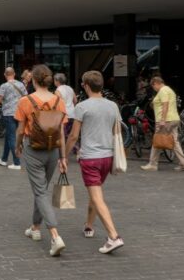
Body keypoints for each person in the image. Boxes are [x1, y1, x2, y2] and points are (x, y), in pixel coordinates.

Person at [65, 70, 124, 254]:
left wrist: (64, 156)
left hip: (90, 157)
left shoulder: (82, 107)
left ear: (86, 86)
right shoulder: (113, 106)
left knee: (97, 197)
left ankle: (113, 237)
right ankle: (89, 225)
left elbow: (74, 135)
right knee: (95, 192)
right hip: (108, 157)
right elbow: (117, 131)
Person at [14, 64, 67, 257]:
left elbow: (20, 129)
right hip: (52, 150)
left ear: (33, 80)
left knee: (40, 190)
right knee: (41, 189)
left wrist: (18, 145)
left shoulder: (25, 101)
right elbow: (61, 130)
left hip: (33, 149)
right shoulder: (58, 101)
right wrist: (63, 156)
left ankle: (55, 235)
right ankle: (35, 227)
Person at [140, 77, 184, 171]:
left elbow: (165, 105)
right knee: (174, 142)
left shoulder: (163, 91)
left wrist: (162, 120)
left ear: (156, 83)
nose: (154, 89)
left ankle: (153, 164)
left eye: (153, 86)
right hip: (174, 119)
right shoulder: (169, 90)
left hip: (165, 120)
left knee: (157, 141)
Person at [0, 67, 27, 170]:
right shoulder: (21, 85)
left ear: (5, 75)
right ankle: (4, 159)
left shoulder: (4, 86)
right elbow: (26, 98)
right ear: (14, 74)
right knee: (9, 136)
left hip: (9, 114)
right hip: (20, 114)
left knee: (11, 137)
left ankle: (17, 163)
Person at [54, 73, 77, 139]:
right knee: (70, 135)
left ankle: (64, 149)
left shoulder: (57, 91)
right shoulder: (70, 88)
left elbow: (59, 104)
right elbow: (75, 100)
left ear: (57, 81)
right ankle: (71, 149)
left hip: (64, 116)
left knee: (63, 136)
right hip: (72, 114)